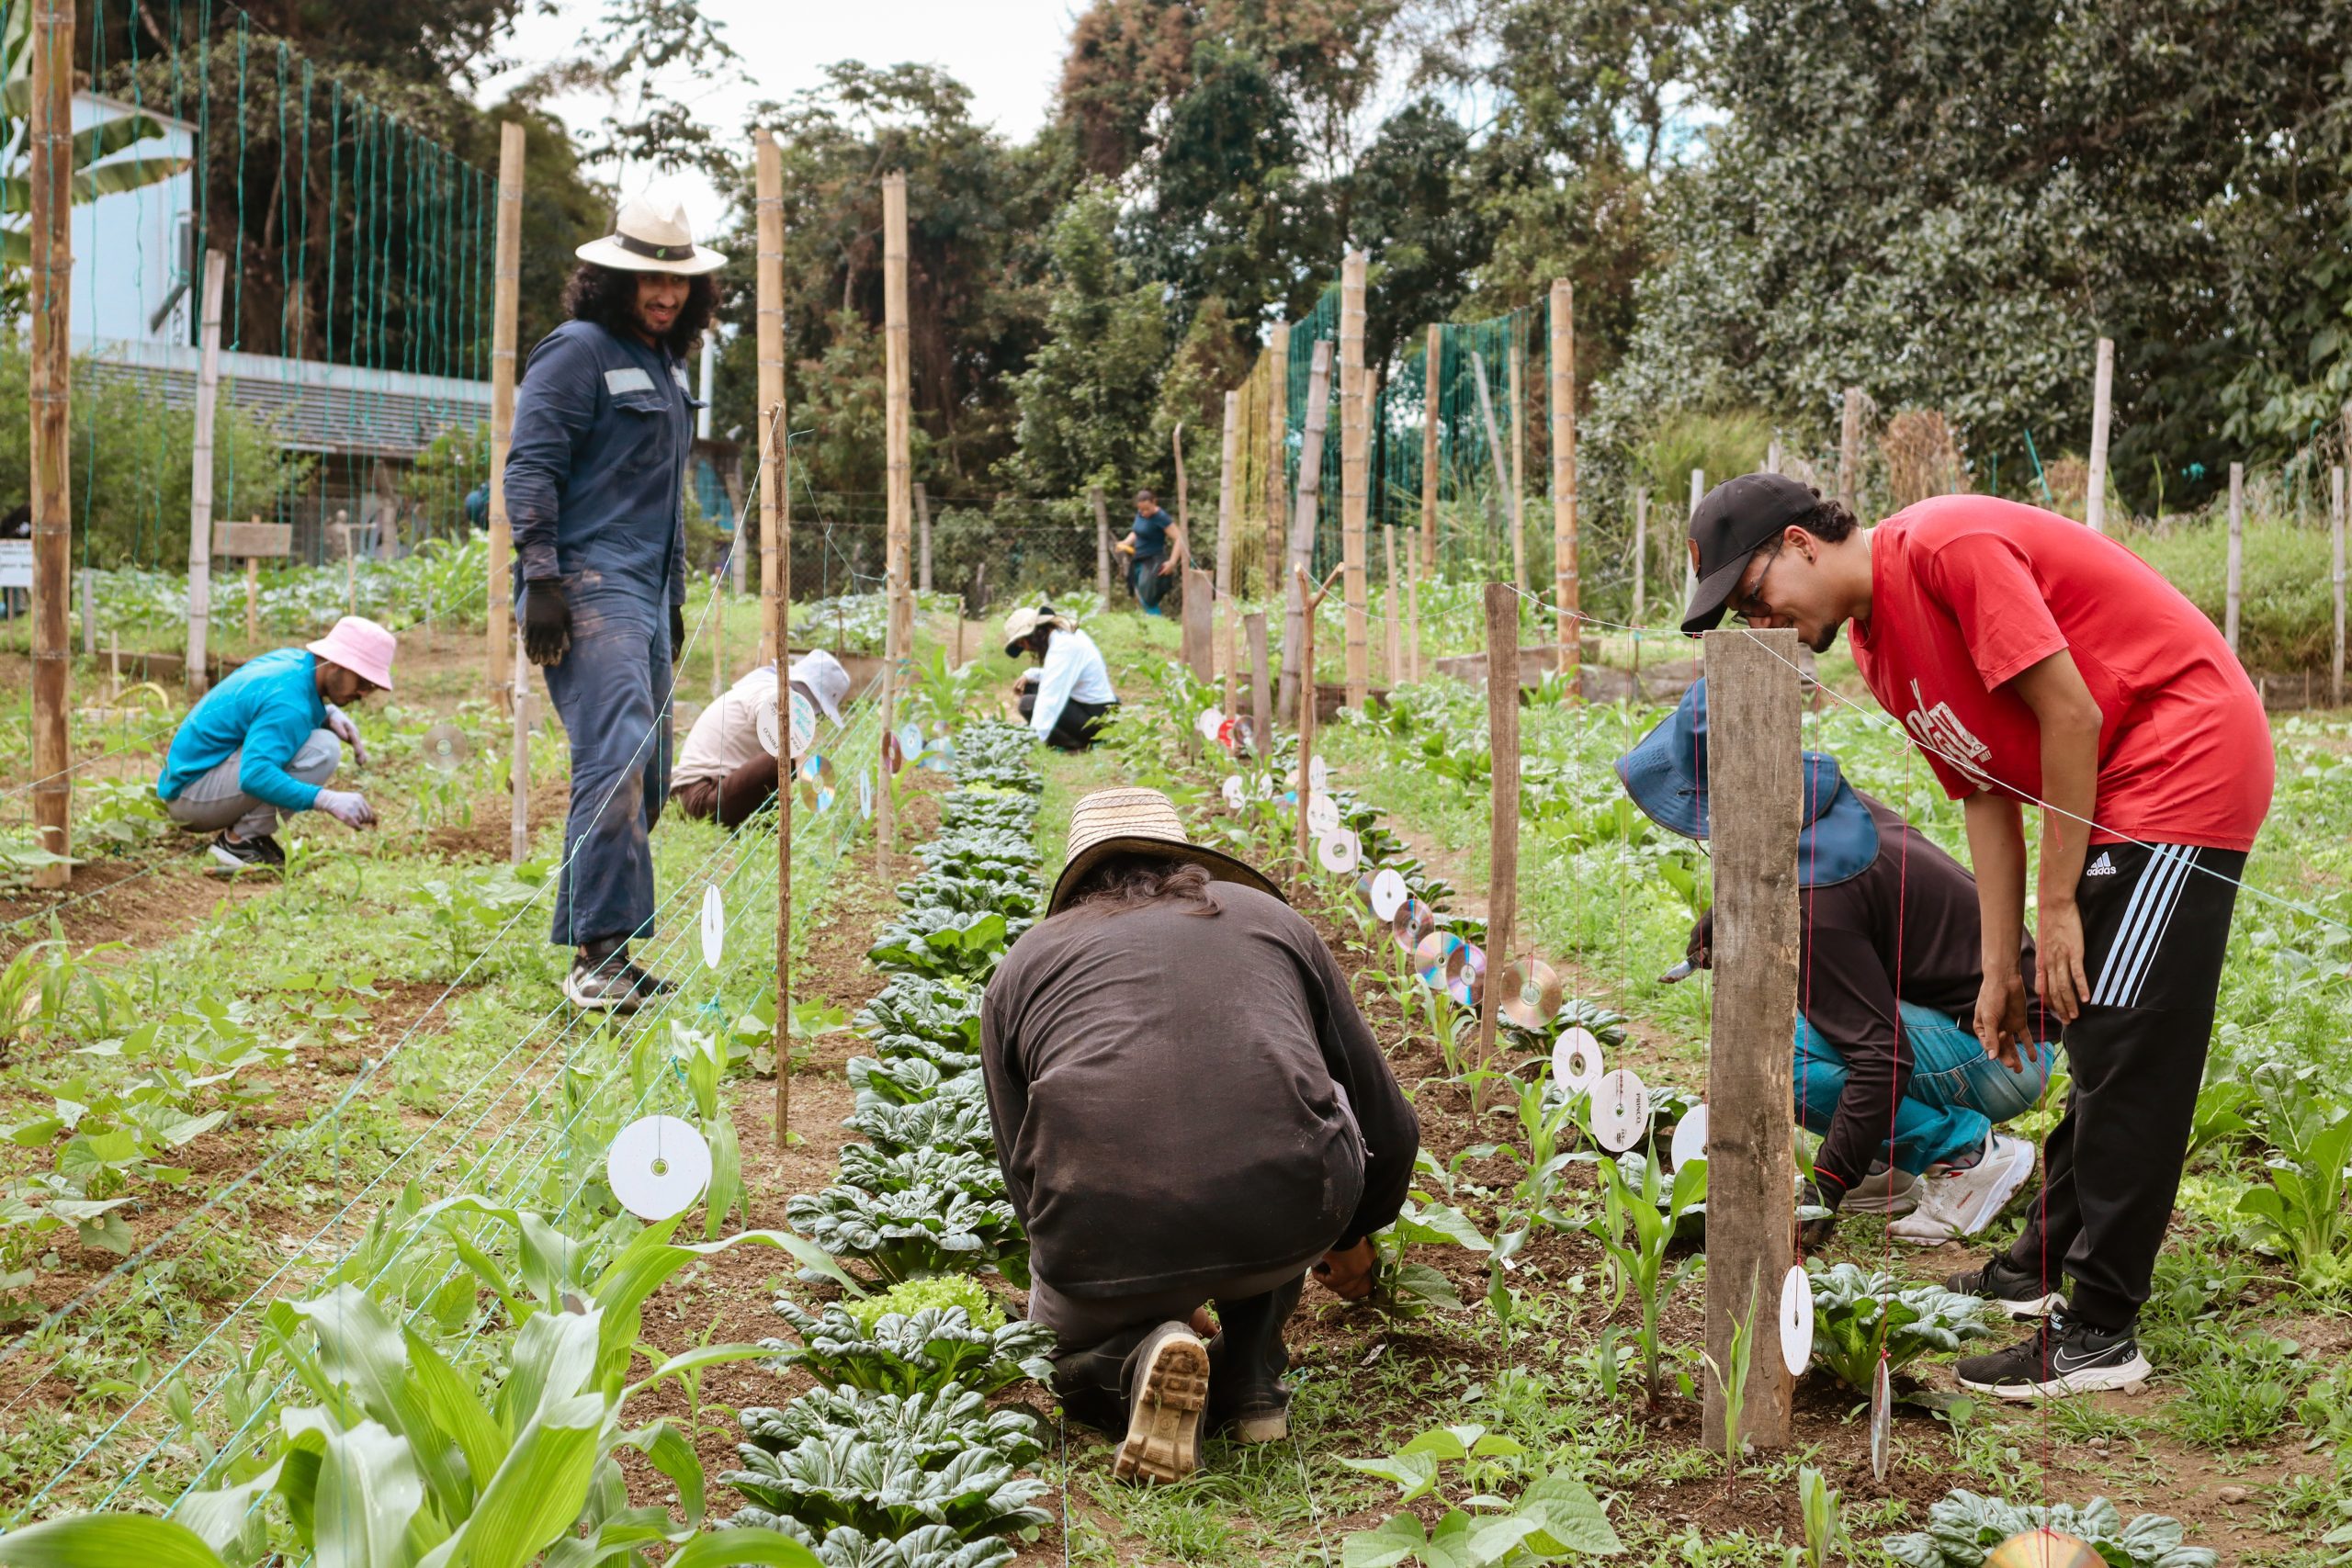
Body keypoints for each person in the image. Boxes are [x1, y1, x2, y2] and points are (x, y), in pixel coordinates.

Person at [1682, 475, 2273, 1398]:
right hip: (2109, 789)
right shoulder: (1879, 655)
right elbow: (1988, 794)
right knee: (2092, 1028)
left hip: (2179, 759)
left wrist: (2056, 901)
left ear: (1799, 542)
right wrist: (2002, 963)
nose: (1759, 618)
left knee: (2130, 1046)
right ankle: (2037, 1267)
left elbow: (2071, 714)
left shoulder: (1946, 547)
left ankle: (2098, 1333)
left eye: (1752, 594)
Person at [981, 787, 1419, 1483]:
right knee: (1295, 1102)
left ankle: (1135, 1361)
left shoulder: (1022, 965)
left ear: (1077, 885)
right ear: (1182, 858)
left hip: (1105, 1238)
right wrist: (1352, 1234)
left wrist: (1143, 1268)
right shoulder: (1271, 918)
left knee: (1054, 1353)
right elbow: (1383, 1113)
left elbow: (1021, 1170)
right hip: (1289, 1218)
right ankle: (1251, 1376)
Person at [1618, 679, 2058, 1247]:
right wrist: (1728, 914)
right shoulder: (1817, 809)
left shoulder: (1816, 898)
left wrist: (1823, 1192)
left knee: (1771, 1046)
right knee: (1802, 1020)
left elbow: (1882, 1055)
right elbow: (1786, 874)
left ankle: (1969, 1153)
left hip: (2007, 1048)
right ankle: (1888, 1162)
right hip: (1983, 1019)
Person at [505, 194, 723, 1011]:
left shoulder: (666, 367)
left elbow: (660, 502)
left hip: (645, 589)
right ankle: (596, 959)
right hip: (586, 582)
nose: (665, 296)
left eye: (679, 286)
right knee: (619, 759)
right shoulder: (576, 352)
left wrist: (669, 597)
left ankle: (617, 948)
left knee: (654, 768)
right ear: (612, 278)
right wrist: (542, 578)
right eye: (647, 281)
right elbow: (530, 468)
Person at [154, 615, 392, 870]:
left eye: (373, 686)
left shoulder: (294, 663)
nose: (364, 693)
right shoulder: (290, 701)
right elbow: (255, 774)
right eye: (363, 681)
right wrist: (325, 799)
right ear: (335, 664)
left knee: (320, 741)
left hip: (194, 779)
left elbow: (267, 712)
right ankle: (238, 843)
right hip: (191, 799)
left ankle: (248, 837)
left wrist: (325, 714)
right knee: (323, 750)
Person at [671, 649, 852, 828]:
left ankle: (772, 825)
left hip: (705, 791)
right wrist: (799, 757)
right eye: (819, 711)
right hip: (698, 796)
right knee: (785, 757)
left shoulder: (766, 685)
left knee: (784, 754)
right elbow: (769, 708)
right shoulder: (771, 690)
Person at [1003, 604, 1116, 750]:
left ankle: (1075, 744)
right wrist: (1030, 674)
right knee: (1031, 687)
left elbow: (1049, 699)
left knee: (1027, 704)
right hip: (1101, 712)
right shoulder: (1064, 636)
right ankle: (1068, 739)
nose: (1025, 648)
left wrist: (1034, 742)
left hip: (1097, 720)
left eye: (1022, 643)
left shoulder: (1064, 646)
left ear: (1033, 634)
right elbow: (1061, 674)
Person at [1112, 488, 1182, 615]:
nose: (1143, 513)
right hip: (1139, 559)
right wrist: (1125, 542)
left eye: (1146, 509)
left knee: (1148, 599)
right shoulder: (1141, 514)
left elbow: (1179, 538)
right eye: (1140, 509)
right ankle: (1152, 625)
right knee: (1140, 596)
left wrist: (1172, 562)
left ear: (1154, 502)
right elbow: (1136, 532)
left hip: (1154, 561)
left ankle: (1158, 626)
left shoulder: (1161, 517)